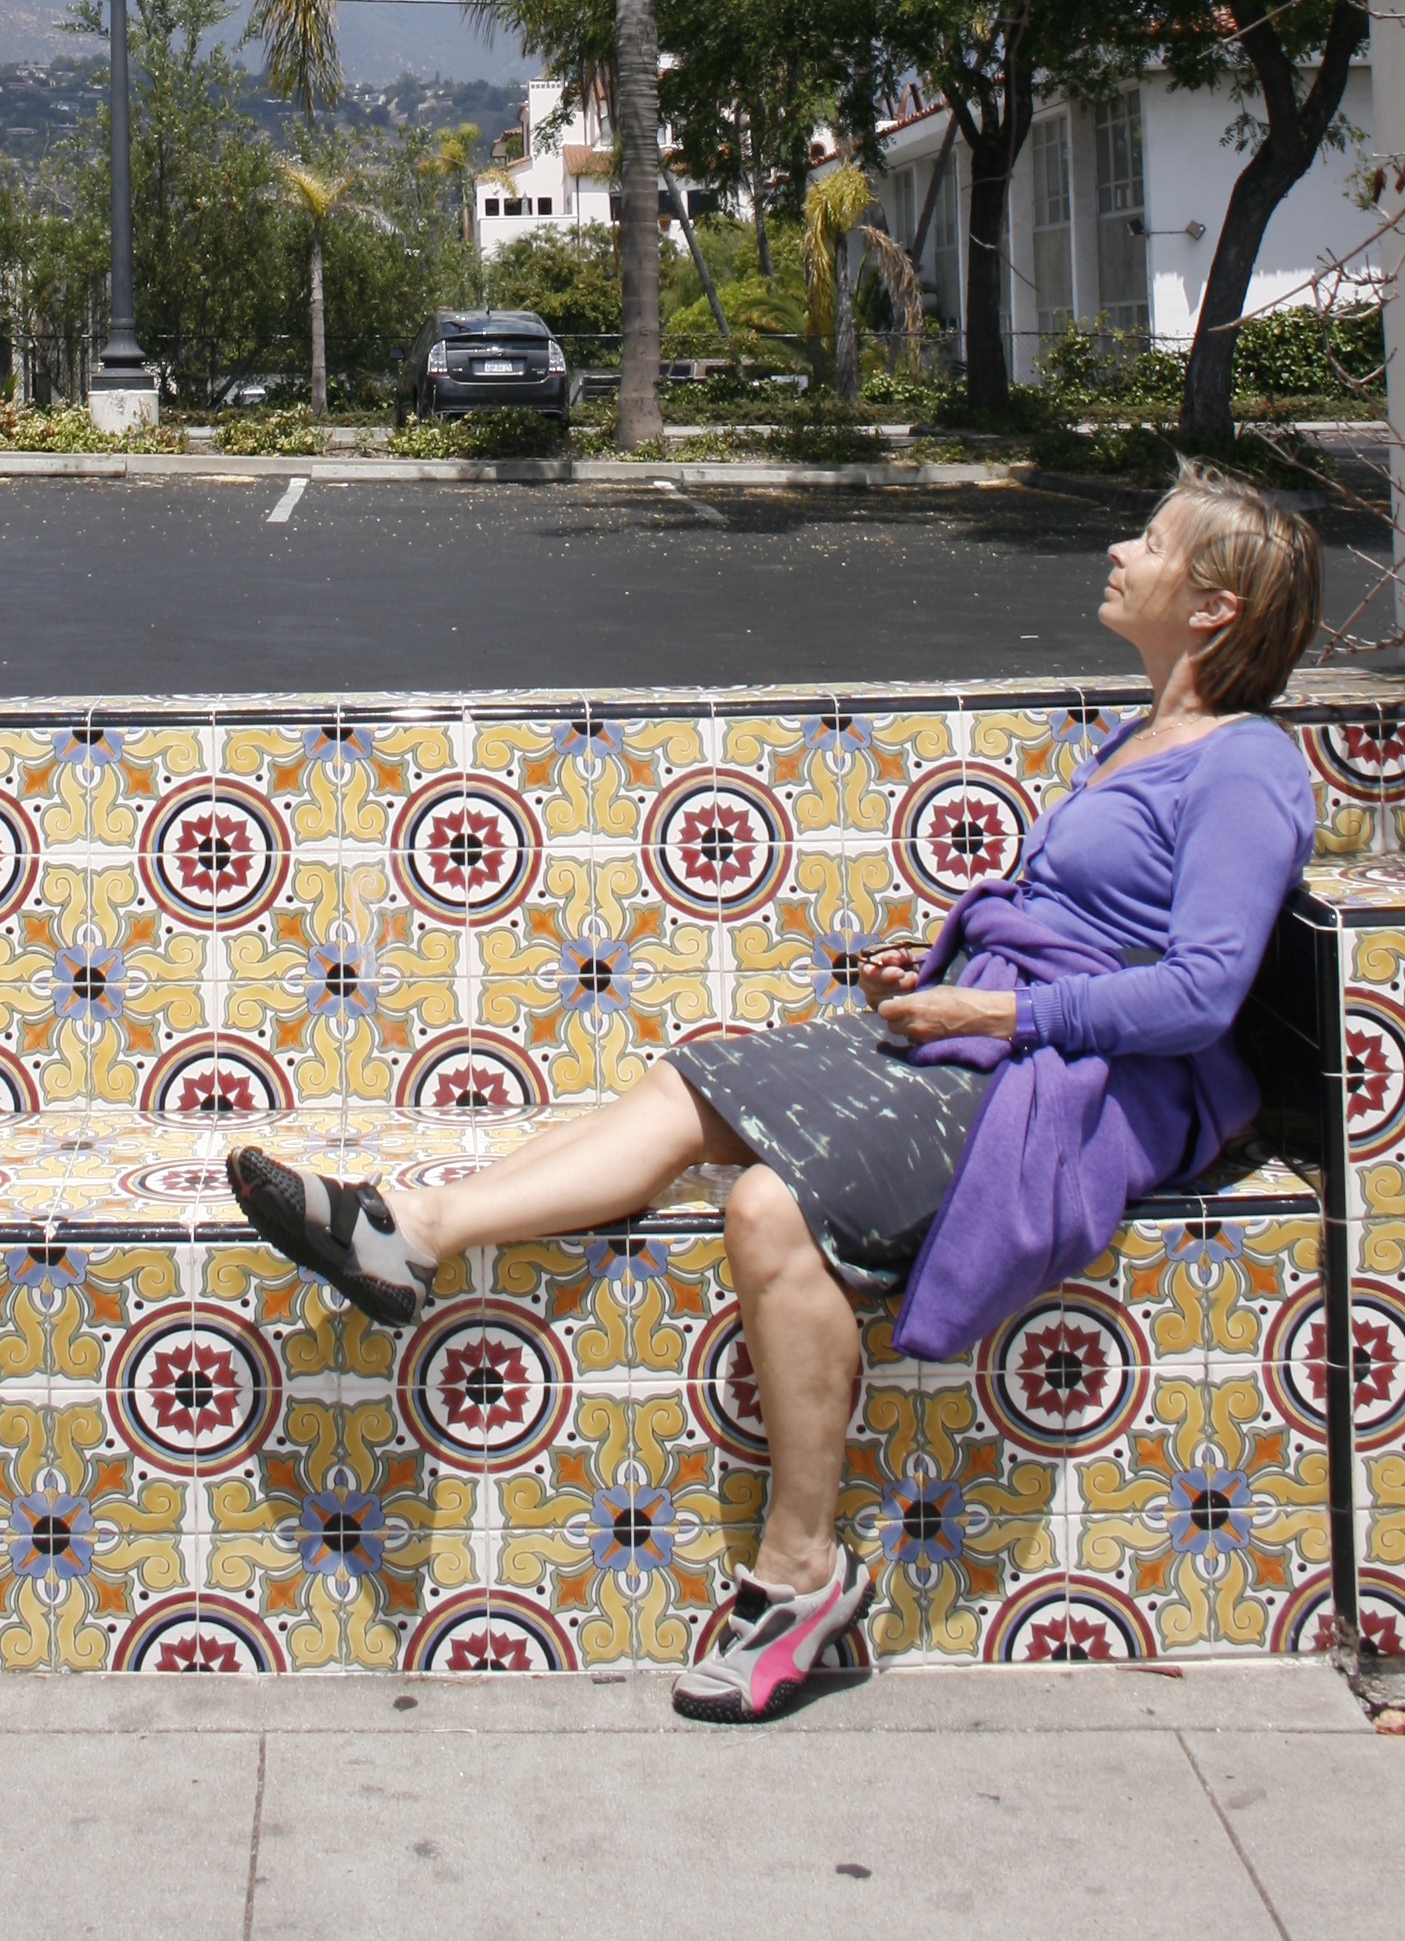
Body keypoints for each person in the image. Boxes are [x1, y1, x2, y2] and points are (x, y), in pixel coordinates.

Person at [229, 462, 1323, 1723]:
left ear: (1214, 609)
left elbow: (1201, 993)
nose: (1123, 552)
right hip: (1004, 1038)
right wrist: (944, 976)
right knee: (694, 1081)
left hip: (1076, 1090)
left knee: (766, 1206)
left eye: (1154, 543)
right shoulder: (1147, 737)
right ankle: (412, 1231)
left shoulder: (1246, 768)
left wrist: (997, 1011)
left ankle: (801, 1576)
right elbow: (1083, 927)